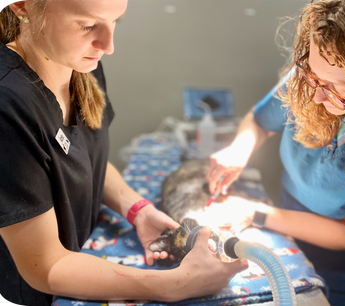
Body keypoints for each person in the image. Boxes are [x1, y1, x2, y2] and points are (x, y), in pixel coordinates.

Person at [0, 0, 248, 305]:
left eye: (116, 21)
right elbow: (45, 265)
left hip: (84, 250)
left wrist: (136, 208)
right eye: (87, 25)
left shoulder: (81, 65)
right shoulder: (8, 105)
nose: (108, 45)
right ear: (22, 6)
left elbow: (84, 162)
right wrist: (175, 284)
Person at [206, 0, 345, 305]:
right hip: (290, 244)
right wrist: (238, 150)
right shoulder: (313, 79)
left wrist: (257, 213)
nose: (317, 95)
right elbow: (258, 122)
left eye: (337, 91)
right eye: (312, 75)